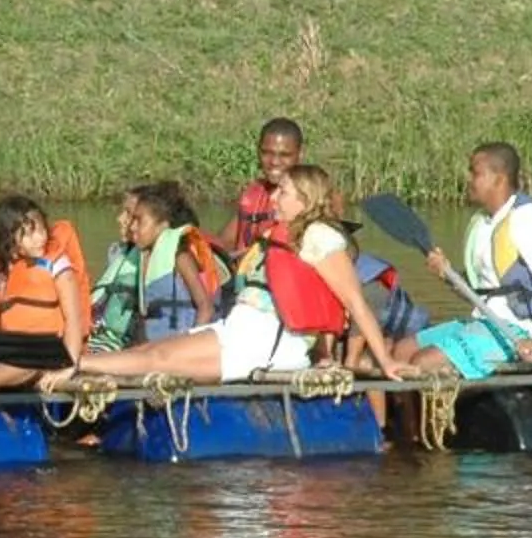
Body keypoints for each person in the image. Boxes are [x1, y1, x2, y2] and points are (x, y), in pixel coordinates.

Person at [61, 162, 395, 388]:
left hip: (265, 344)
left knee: (159, 358)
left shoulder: (320, 237)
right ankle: (74, 361)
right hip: (239, 330)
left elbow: (356, 303)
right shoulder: (281, 236)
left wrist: (386, 363)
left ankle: (73, 365)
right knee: (152, 351)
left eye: (284, 192)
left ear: (306, 201)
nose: (274, 197)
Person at [391, 141, 532, 378]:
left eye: (475, 173)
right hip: (486, 323)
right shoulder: (483, 222)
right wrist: (447, 273)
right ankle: (409, 418)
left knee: (424, 362)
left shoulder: (530, 220)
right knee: (401, 352)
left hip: (522, 331)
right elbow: (480, 291)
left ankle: (436, 416)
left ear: (499, 179)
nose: (469, 179)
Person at [0, 195, 88, 394]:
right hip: (6, 355)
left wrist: (69, 366)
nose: (40, 238)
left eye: (41, 230)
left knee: (29, 360)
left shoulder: (58, 266)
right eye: (29, 234)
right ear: (8, 238)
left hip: (43, 358)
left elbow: (74, 321)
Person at [86, 179, 219, 353]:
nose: (132, 226)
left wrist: (190, 349)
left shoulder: (180, 256)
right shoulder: (144, 257)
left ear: (163, 225)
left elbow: (206, 308)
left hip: (179, 348)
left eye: (139, 221)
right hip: (151, 348)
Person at [218, 117, 303, 262]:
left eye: (284, 155)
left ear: (300, 155)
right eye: (267, 153)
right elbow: (224, 243)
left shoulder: (313, 195)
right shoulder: (254, 193)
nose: (274, 162)